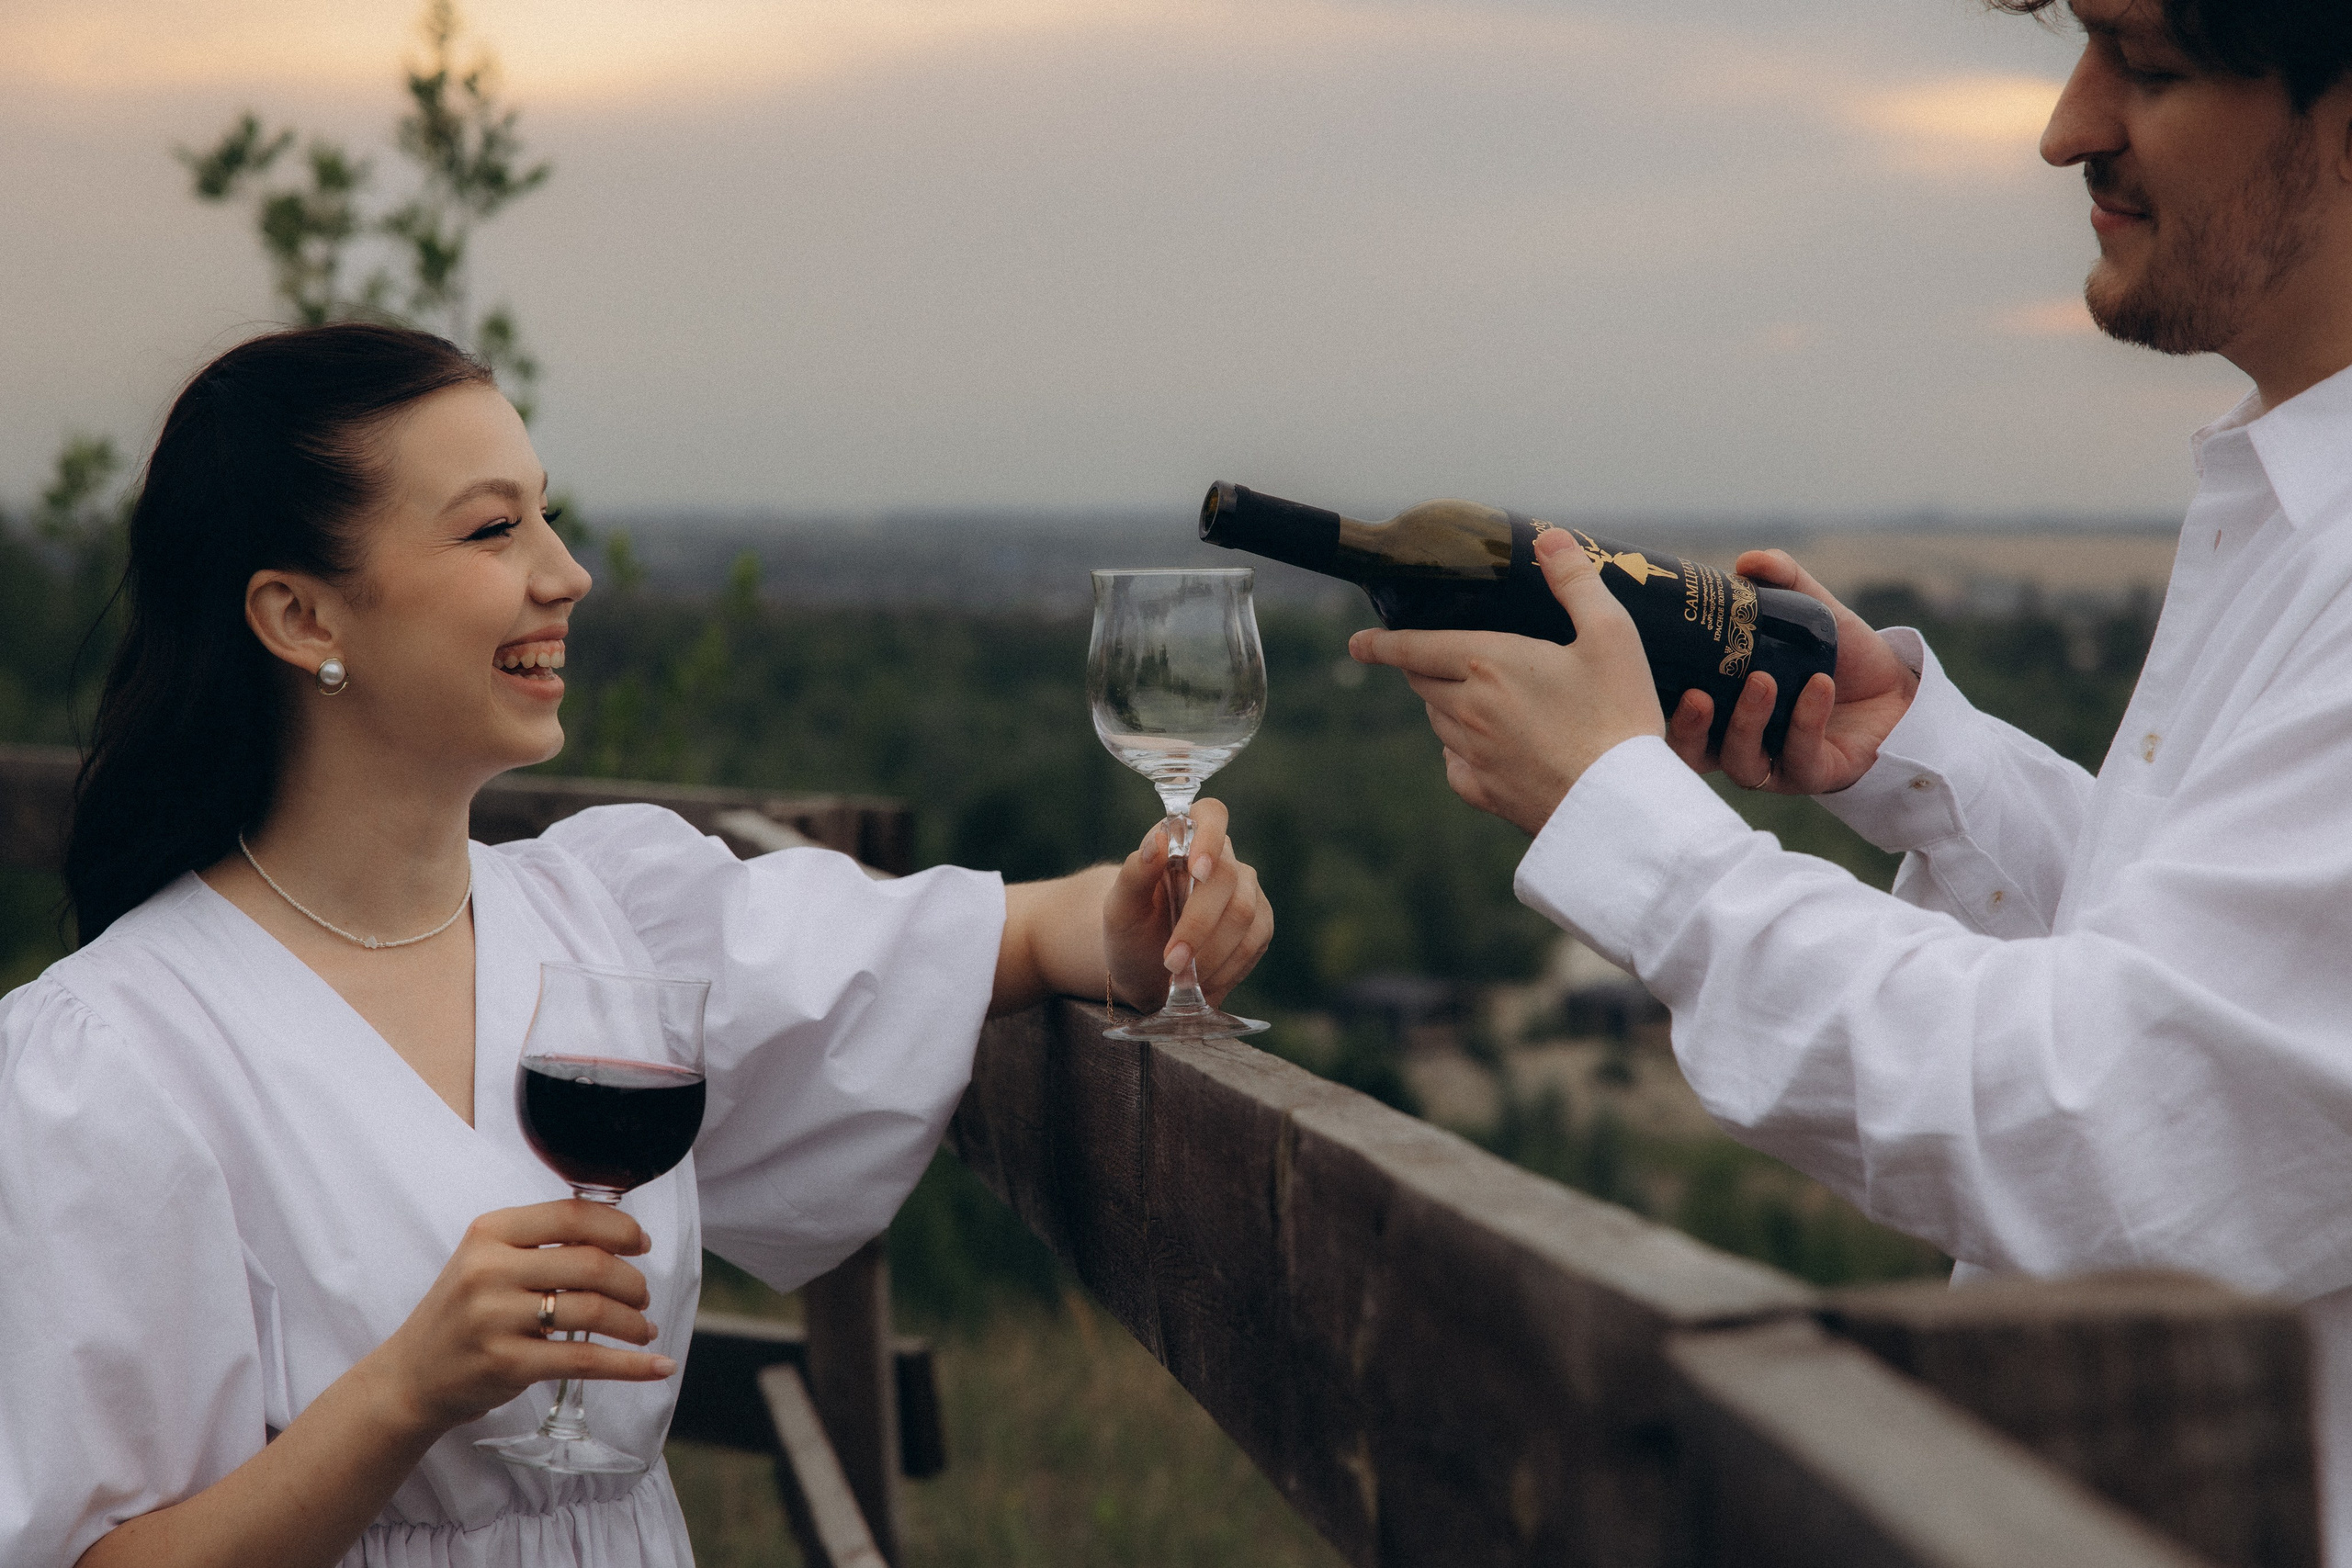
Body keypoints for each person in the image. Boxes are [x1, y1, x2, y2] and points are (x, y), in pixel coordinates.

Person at [0, 321, 1272, 1568]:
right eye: (495, 529)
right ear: (300, 617)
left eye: (548, 517)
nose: (567, 574)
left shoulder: (610, 917)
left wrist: (1121, 919)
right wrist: (403, 1396)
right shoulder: (113, 1057)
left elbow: (959, 941)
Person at [1351, 0, 2352, 1554]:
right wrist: (1926, 770)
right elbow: (2233, 998)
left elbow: (2110, 1138)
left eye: (2148, 68)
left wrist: (1633, 821)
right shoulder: (2295, 508)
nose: (2068, 126)